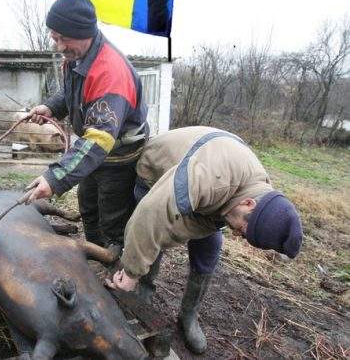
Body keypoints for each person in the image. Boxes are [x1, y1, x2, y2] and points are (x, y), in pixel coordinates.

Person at [105, 126, 303, 354]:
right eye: (243, 229)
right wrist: (131, 271)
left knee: (210, 248)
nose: (238, 235)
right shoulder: (213, 178)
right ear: (248, 204)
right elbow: (150, 216)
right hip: (157, 169)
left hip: (209, 194)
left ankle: (188, 314)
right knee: (154, 236)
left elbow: (221, 215)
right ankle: (142, 292)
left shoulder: (260, 190)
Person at [26, 0, 149, 248]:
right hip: (93, 155)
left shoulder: (110, 73)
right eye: (54, 37)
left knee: (113, 218)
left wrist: (55, 178)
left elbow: (99, 139)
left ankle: (115, 265)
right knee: (89, 208)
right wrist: (50, 107)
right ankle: (95, 255)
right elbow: (74, 93)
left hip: (117, 157)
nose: (59, 46)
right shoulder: (76, 56)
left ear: (86, 33)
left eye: (64, 39)